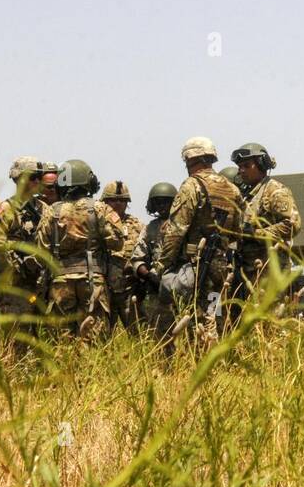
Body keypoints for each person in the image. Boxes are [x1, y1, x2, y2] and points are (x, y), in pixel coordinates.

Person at [144, 137, 242, 347]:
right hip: (221, 267)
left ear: (190, 159)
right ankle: (215, 359)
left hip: (196, 266)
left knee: (192, 315)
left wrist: (161, 266)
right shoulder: (232, 189)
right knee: (213, 313)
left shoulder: (192, 185)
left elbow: (176, 231)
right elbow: (238, 231)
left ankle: (195, 361)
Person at [35, 159, 125, 338]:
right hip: (92, 281)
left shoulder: (52, 211)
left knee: (62, 337)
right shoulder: (99, 208)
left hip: (60, 281)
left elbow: (41, 250)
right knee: (94, 336)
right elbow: (117, 242)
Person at [231, 142, 301, 301]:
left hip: (270, 269)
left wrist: (255, 234)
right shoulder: (248, 194)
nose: (241, 170)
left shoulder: (275, 191)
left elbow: (292, 225)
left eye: (246, 165)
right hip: (249, 269)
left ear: (261, 164)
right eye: (239, 166)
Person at [0, 156, 48, 322]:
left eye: (40, 177)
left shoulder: (45, 209)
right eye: (32, 177)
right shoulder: (6, 209)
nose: (37, 181)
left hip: (41, 282)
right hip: (16, 283)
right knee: (17, 328)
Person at [129, 182, 177, 342]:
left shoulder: (183, 225)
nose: (162, 206)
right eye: (158, 202)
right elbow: (137, 259)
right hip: (157, 291)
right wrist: (149, 276)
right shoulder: (150, 229)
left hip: (182, 286)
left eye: (166, 202)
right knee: (159, 336)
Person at [99, 181, 142, 330]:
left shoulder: (137, 225)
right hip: (103, 291)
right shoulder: (97, 224)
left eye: (122, 200)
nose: (118, 203)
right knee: (101, 336)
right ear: (104, 201)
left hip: (129, 291)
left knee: (137, 333)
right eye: (113, 200)